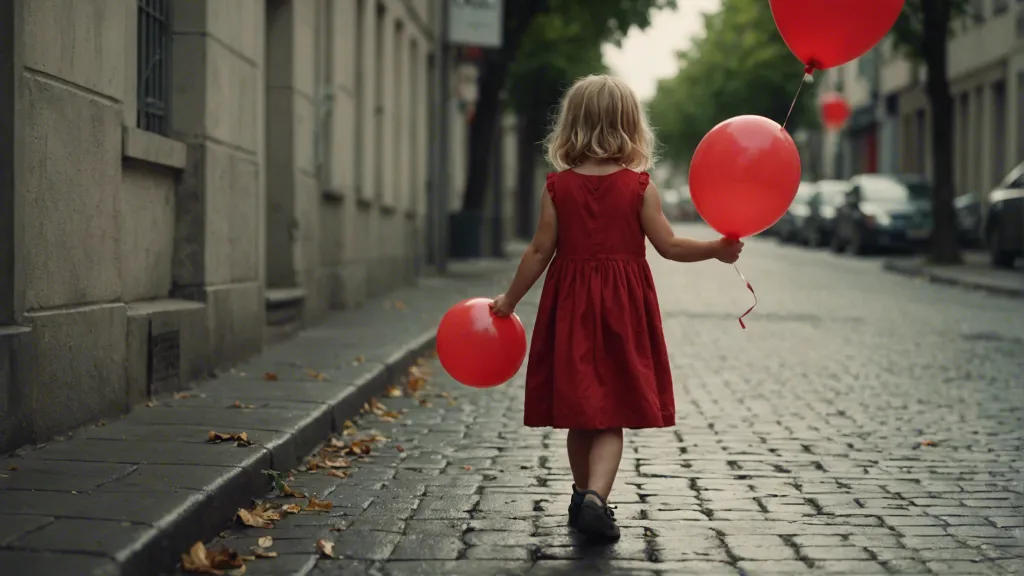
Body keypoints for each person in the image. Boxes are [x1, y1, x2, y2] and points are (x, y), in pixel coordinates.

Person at [489, 74, 743, 541]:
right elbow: (668, 246)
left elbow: (539, 251)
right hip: (623, 311)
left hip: (569, 311)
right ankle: (595, 500)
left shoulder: (556, 188)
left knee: (580, 410)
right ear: (630, 125)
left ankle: (579, 492)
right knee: (611, 413)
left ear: (572, 125)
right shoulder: (639, 187)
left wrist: (508, 300)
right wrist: (716, 248)